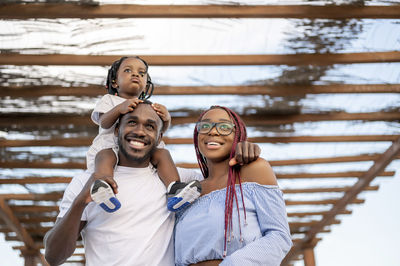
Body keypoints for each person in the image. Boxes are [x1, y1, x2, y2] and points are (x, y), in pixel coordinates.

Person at [44, 102, 261, 266]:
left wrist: (243, 151)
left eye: (150, 126)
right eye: (132, 122)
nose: (140, 131)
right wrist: (81, 201)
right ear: (117, 130)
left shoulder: (180, 181)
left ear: (158, 138)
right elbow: (54, 256)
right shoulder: (87, 182)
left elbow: (227, 181)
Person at [174, 106, 293, 266]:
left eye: (224, 127)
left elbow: (279, 236)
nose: (213, 132)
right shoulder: (190, 191)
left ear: (237, 135)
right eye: (205, 126)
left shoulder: (254, 170)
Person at [88, 56, 200, 212]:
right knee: (105, 156)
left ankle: (174, 189)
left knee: (162, 154)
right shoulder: (109, 100)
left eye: (141, 73)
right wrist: (119, 109)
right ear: (114, 82)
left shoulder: (148, 108)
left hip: (141, 153)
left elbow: (159, 132)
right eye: (128, 70)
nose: (136, 75)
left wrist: (166, 119)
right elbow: (103, 122)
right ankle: (104, 187)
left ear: (146, 84)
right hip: (110, 148)